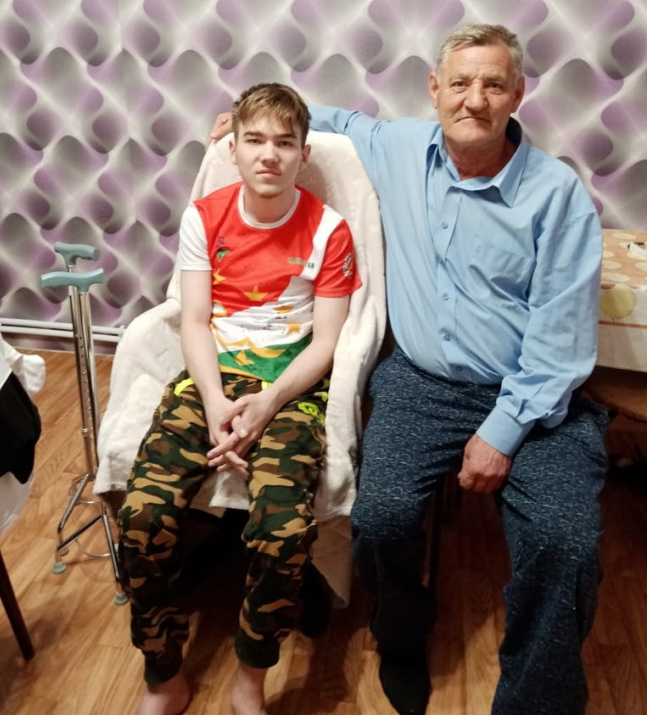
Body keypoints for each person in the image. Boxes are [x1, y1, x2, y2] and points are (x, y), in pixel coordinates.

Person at [215, 22, 610, 715]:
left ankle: (535, 698)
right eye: (460, 83)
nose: (475, 99)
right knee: (380, 518)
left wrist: (502, 431)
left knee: (565, 541)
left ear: (518, 94)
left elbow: (561, 341)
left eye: (493, 84)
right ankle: (401, 629)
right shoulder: (398, 147)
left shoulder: (557, 196)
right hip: (422, 384)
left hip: (534, 394)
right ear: (434, 90)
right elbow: (335, 123)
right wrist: (249, 117)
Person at [119, 82, 361, 715]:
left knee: (282, 535)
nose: (269, 155)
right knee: (141, 520)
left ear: (304, 153)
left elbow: (326, 343)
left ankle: (251, 679)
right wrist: (215, 402)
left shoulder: (330, 230)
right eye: (254, 140)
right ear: (233, 148)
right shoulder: (205, 217)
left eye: (284, 142)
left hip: (291, 391)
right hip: (209, 381)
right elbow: (194, 321)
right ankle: (164, 674)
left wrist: (268, 403)